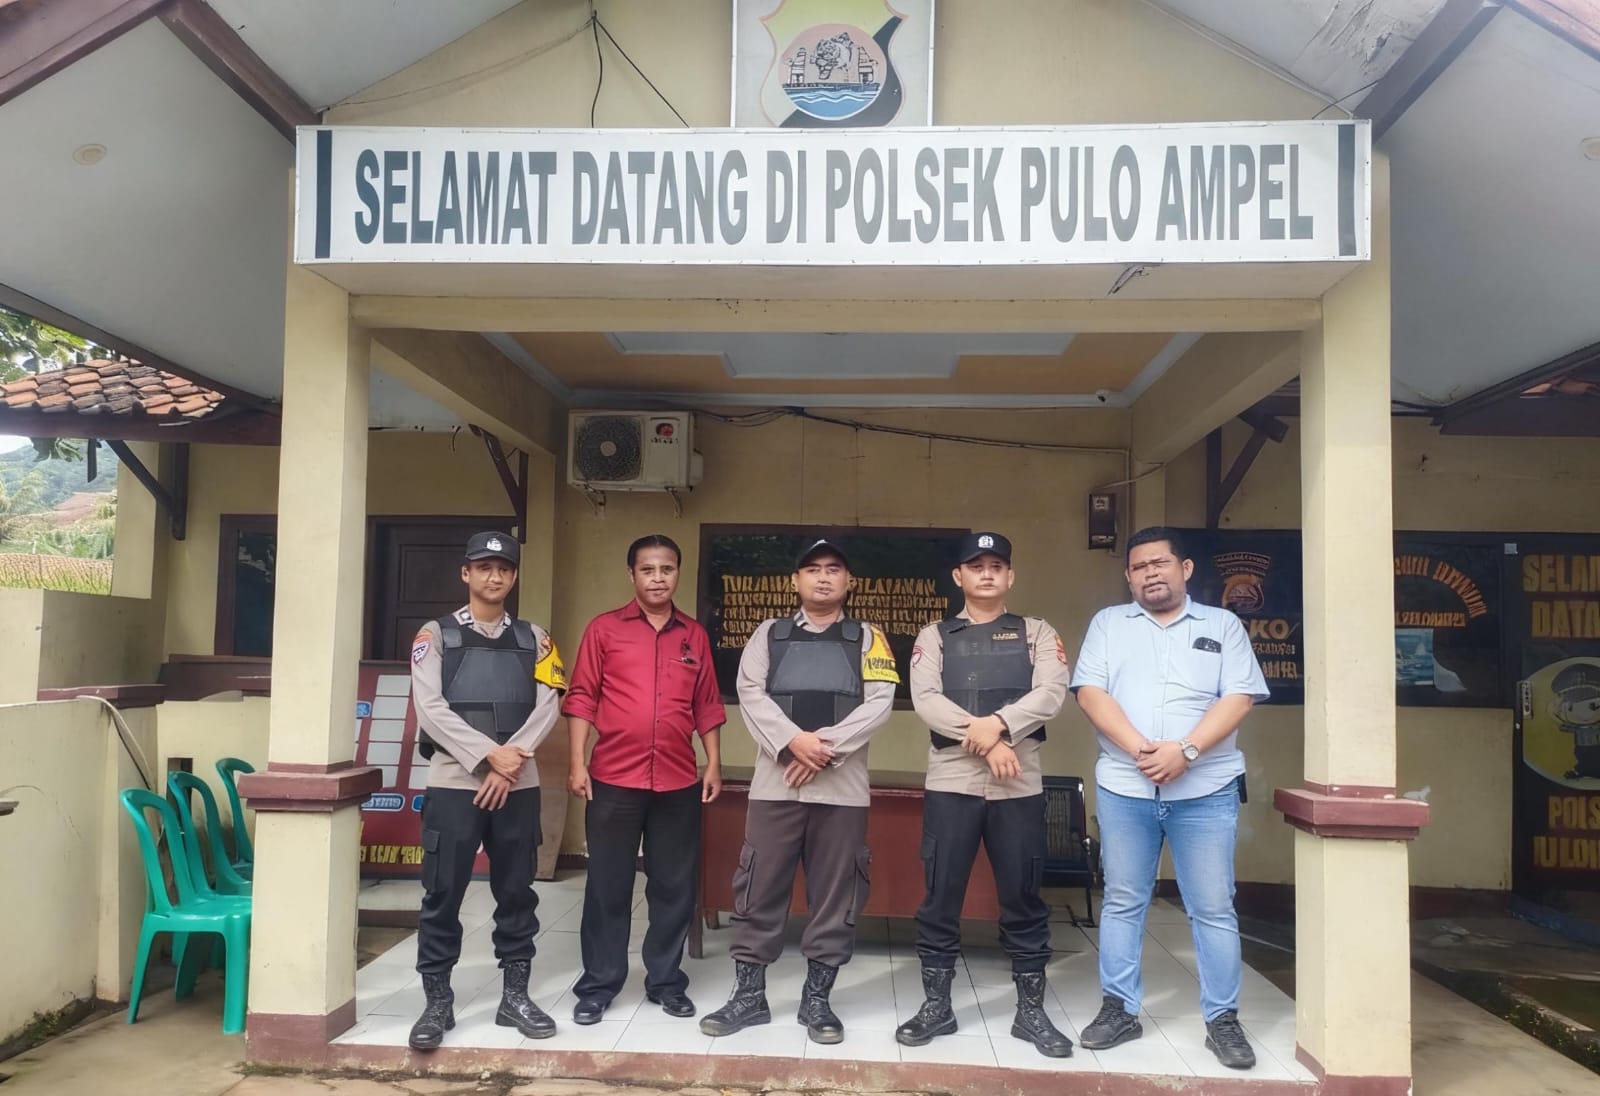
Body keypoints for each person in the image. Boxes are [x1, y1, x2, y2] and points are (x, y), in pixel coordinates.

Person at [1070, 526, 1270, 1070]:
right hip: (1126, 786)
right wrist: (1142, 750)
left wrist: (1186, 751)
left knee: (1212, 907)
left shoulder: (1222, 625)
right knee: (1122, 900)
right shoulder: (1109, 624)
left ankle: (1223, 1020)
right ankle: (1119, 1009)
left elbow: (1239, 697)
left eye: (1160, 563)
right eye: (1139, 567)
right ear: (1128, 576)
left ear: (1185, 569)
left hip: (1205, 790)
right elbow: (1090, 693)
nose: (1150, 573)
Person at [699, 538, 899, 1045]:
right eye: (812, 569)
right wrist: (792, 744)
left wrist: (821, 749)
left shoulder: (869, 638)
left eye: (834, 569)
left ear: (849, 581)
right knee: (758, 887)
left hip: (842, 790)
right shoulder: (769, 634)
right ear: (795, 581)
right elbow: (749, 693)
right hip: (776, 786)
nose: (823, 577)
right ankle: (749, 998)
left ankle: (817, 1001)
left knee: (836, 894)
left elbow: (881, 701)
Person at [894, 531, 1075, 1059]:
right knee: (940, 898)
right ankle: (937, 1007)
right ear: (959, 576)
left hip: (1017, 782)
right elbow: (926, 699)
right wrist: (988, 740)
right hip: (952, 781)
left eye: (997, 565)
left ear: (1011, 576)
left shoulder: (1037, 632)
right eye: (976, 566)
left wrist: (997, 725)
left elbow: (1051, 692)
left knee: (1023, 897)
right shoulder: (935, 635)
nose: (987, 573)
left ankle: (1030, 1012)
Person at [406, 531, 567, 1051]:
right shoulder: (435, 635)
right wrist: (486, 756)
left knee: (517, 892)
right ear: (466, 573)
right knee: (443, 892)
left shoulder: (536, 638)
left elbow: (550, 703)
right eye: (483, 567)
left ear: (514, 577)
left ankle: (514, 998)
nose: (494, 576)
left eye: (503, 569)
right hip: (455, 781)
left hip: (518, 784)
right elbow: (430, 707)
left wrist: (509, 760)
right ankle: (437, 1002)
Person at [564, 534, 727, 1023]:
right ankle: (598, 985)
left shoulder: (693, 636)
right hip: (613, 778)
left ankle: (665, 981)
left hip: (677, 781)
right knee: (607, 885)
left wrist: (713, 762)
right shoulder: (604, 630)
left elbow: (706, 704)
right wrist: (577, 761)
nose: (658, 578)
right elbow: (582, 697)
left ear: (678, 573)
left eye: (667, 569)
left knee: (673, 886)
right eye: (648, 570)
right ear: (632, 574)